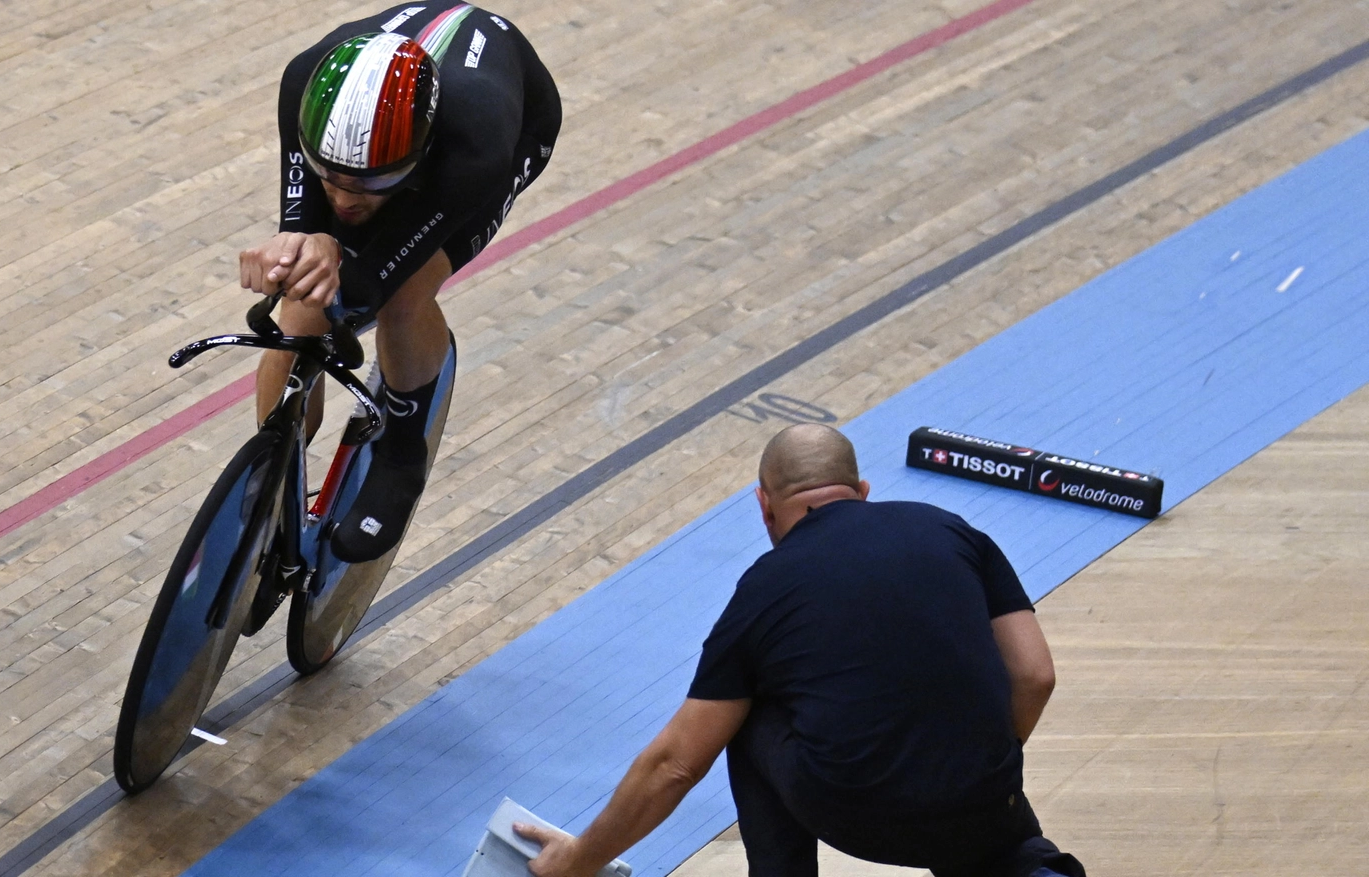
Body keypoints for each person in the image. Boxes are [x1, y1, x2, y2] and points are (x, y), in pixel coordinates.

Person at [517, 424, 1086, 877]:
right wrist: (973, 764)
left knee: (743, 709)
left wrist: (578, 860)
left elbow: (677, 762)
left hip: (858, 817)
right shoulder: (955, 531)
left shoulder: (764, 589)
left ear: (764, 506)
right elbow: (1034, 676)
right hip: (985, 806)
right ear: (862, 493)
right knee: (979, 803)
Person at [238, 3, 560, 562]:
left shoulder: (474, 144)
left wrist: (338, 255)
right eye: (330, 180)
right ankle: (273, 460)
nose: (342, 200)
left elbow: (366, 287)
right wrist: (296, 248)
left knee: (403, 296)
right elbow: (306, 229)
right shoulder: (301, 82)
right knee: (302, 301)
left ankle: (401, 457)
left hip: (514, 129)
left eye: (369, 186)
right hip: (387, 137)